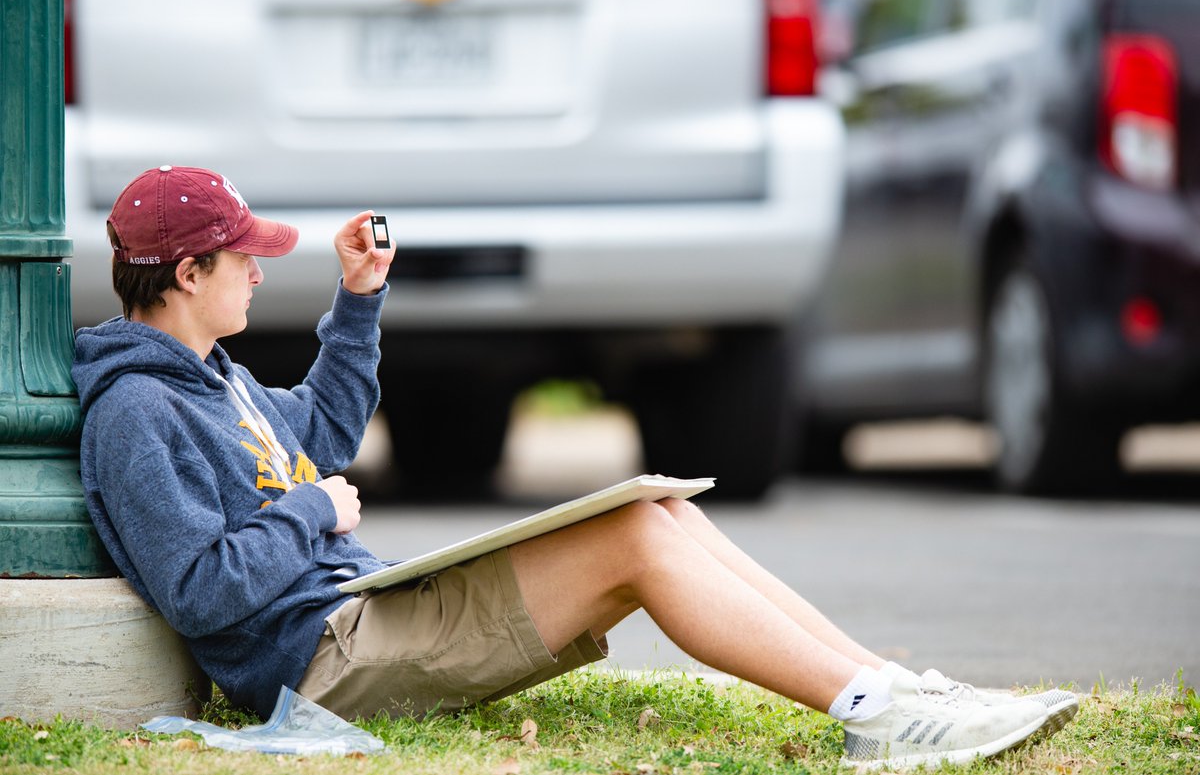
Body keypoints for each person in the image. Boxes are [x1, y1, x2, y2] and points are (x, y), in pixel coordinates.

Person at [74, 165, 1077, 772]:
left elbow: (323, 435)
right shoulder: (136, 411)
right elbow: (203, 592)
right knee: (635, 536)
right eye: (241, 256)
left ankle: (896, 690)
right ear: (185, 273)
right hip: (320, 661)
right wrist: (307, 513)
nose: (259, 267)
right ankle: (876, 720)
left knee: (664, 513)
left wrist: (361, 298)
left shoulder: (214, 378)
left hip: (359, 607)